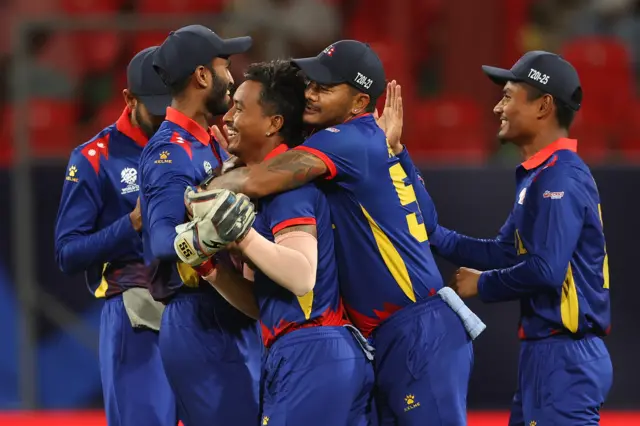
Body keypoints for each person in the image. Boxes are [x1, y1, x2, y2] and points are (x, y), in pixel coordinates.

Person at [194, 40, 484, 425]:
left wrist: (205, 187)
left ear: (359, 103)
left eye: (325, 88)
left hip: (413, 330)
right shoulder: (364, 142)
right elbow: (429, 225)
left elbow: (263, 178)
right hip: (393, 332)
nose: (310, 94)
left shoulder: (346, 140)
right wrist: (397, 152)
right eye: (311, 85)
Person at [177, 58, 376, 426]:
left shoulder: (289, 191)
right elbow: (258, 303)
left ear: (274, 123)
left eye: (239, 108)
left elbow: (302, 275)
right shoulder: (266, 195)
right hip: (311, 354)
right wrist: (208, 267)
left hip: (312, 354)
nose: (228, 119)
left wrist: (240, 233)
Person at [432, 51, 612, 425]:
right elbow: (502, 252)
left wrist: (483, 285)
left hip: (565, 357)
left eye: (508, 96)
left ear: (544, 106)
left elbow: (546, 271)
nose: (498, 107)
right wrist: (431, 235)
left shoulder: (559, 177)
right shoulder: (541, 175)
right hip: (547, 357)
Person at [138, 25, 262, 426]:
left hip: (227, 310)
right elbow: (160, 240)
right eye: (225, 66)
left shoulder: (208, 142)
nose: (232, 77)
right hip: (198, 319)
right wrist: (205, 235)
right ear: (202, 76)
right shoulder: (169, 152)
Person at [54, 46, 177, 426]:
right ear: (128, 98)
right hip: (136, 316)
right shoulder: (95, 158)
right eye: (154, 108)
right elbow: (68, 253)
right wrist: (132, 225)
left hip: (196, 311)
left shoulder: (190, 144)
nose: (163, 117)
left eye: (169, 105)